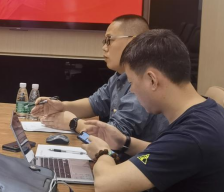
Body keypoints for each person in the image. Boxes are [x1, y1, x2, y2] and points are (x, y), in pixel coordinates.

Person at [82, 29, 224, 192]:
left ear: (152, 79)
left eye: (132, 83)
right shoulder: (207, 111)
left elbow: (106, 185)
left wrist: (103, 152)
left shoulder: (192, 135)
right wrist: (124, 142)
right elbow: (169, 154)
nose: (132, 91)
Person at [31, 15, 168, 142]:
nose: (104, 47)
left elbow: (115, 136)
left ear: (133, 42)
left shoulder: (144, 80)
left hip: (143, 159)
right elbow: (94, 103)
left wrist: (73, 123)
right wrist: (62, 106)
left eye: (109, 40)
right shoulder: (120, 76)